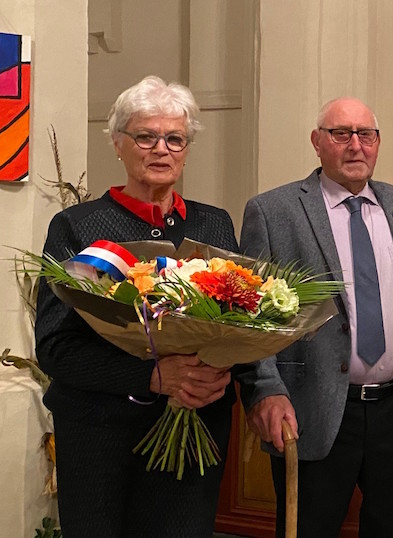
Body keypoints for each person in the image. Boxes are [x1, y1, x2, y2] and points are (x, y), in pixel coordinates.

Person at [239, 97, 393, 537]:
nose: (355, 145)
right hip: (313, 408)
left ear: (378, 142)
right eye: (341, 134)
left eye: (366, 134)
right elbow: (252, 315)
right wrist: (265, 389)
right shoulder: (273, 212)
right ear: (317, 141)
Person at [34, 76, 237, 538]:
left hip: (194, 433)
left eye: (175, 139)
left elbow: (244, 325)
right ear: (117, 144)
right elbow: (55, 348)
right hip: (100, 440)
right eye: (145, 136)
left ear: (186, 150)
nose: (161, 149)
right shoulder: (76, 227)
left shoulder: (215, 225)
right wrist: (151, 377)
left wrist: (221, 373)